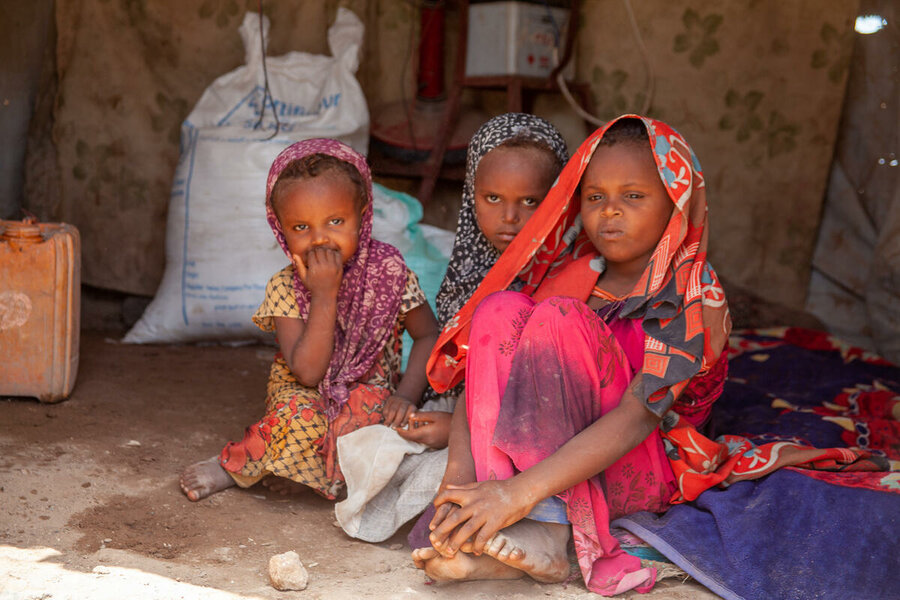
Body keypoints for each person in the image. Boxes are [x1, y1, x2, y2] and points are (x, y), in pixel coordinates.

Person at [412, 115, 732, 596]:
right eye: (595, 196)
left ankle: (545, 525)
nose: (610, 212)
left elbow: (637, 418)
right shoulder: (570, 272)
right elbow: (486, 372)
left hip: (638, 469)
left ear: (675, 203)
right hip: (542, 471)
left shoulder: (692, 296)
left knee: (561, 317)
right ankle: (490, 529)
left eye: (634, 196)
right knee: (498, 308)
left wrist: (519, 493)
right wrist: (459, 483)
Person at [334, 113, 569, 543]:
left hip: (540, 423)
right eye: (492, 198)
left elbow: (550, 386)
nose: (510, 217)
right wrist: (432, 414)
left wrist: (452, 432)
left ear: (558, 199)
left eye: (531, 202)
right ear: (470, 196)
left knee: (447, 472)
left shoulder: (573, 273)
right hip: (466, 412)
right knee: (373, 444)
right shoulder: (470, 270)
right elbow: (458, 370)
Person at [179, 138, 439, 502]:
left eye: (335, 221)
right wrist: (324, 294)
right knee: (298, 417)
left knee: (375, 427)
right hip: (304, 394)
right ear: (280, 229)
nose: (320, 239)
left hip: (369, 392)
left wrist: (406, 395)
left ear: (362, 218)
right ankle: (233, 465)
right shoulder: (285, 286)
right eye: (301, 227)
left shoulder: (391, 274)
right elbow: (308, 373)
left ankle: (300, 474)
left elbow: (428, 335)